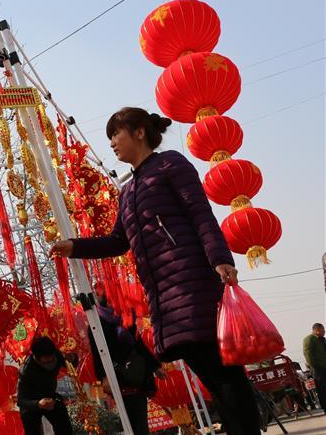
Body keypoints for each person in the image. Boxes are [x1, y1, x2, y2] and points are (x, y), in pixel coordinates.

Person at [50, 107, 260, 434]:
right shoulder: (128, 191)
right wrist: (75, 247)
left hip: (194, 286)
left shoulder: (170, 164)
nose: (112, 143)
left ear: (139, 132)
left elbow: (200, 213)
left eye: (115, 134)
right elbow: (118, 241)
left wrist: (220, 259)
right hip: (165, 297)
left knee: (224, 375)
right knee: (212, 375)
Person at [88, 294, 163, 435]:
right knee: (132, 423)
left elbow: (139, 344)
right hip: (118, 376)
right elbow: (97, 353)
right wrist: (103, 377)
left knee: (140, 422)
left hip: (137, 373)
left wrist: (155, 366)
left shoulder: (126, 317)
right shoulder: (96, 323)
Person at [17, 336, 73, 434]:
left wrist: (73, 358)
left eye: (52, 360)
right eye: (46, 362)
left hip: (50, 396)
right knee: (32, 429)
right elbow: (21, 400)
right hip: (31, 402)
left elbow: (69, 364)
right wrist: (38, 404)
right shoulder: (26, 370)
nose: (50, 364)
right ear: (36, 358)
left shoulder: (55, 354)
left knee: (64, 426)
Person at [302, 322, 326, 412]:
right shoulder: (309, 339)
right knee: (322, 389)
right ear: (317, 330)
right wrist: (314, 366)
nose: (324, 331)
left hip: (324, 367)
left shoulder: (322, 339)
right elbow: (308, 355)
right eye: (323, 329)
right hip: (318, 369)